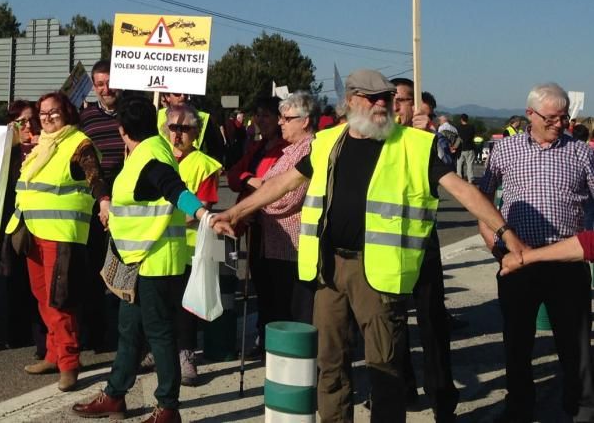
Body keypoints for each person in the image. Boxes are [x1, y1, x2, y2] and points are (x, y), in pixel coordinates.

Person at [213, 69, 525, 423]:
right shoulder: (327, 141)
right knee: (329, 364)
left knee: (385, 368)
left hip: (377, 271)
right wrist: (236, 212)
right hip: (327, 269)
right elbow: (283, 183)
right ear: (350, 101)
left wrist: (506, 235)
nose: (382, 104)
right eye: (372, 97)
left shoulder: (414, 145)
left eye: (386, 98)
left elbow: (465, 191)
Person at [73, 94, 210, 423]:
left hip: (157, 262)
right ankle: (116, 394)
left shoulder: (150, 158)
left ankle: (167, 408)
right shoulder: (143, 153)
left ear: (121, 129)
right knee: (129, 330)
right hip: (138, 258)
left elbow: (175, 189)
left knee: (160, 334)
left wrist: (203, 213)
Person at [479, 83, 594, 423]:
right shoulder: (505, 151)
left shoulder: (581, 153)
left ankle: (581, 408)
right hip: (516, 263)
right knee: (517, 341)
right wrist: (496, 249)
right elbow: (483, 202)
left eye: (564, 118)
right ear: (530, 114)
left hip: (566, 260)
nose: (560, 124)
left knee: (575, 343)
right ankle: (519, 407)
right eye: (552, 118)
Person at [4, 91, 105, 391]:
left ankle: (69, 363)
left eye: (54, 113)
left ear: (68, 114)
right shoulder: (41, 144)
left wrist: (105, 201)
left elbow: (95, 177)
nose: (47, 118)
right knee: (41, 296)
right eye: (43, 113)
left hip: (61, 233)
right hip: (32, 229)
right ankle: (53, 354)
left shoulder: (79, 143)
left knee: (60, 300)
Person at [392, 78, 460, 421]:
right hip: (387, 246)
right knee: (392, 323)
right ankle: (402, 388)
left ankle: (441, 398)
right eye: (391, 100)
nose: (395, 107)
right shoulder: (377, 139)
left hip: (424, 242)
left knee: (432, 322)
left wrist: (429, 135)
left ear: (417, 106)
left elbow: (447, 165)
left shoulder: (429, 138)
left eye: (403, 101)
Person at [224, 96, 286, 353]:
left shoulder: (286, 148)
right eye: (258, 115)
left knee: (278, 288)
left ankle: (278, 341)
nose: (260, 120)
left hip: (279, 229)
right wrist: (250, 179)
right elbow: (233, 175)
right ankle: (263, 336)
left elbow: (277, 184)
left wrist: (254, 184)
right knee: (260, 283)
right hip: (255, 224)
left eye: (266, 115)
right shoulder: (257, 148)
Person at [166, 102, 222, 385]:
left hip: (188, 248)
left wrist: (162, 220)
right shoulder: (156, 157)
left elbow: (204, 206)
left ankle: (186, 354)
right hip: (157, 248)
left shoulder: (204, 164)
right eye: (173, 127)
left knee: (185, 307)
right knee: (160, 305)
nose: (178, 134)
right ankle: (161, 350)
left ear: (196, 132)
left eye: (185, 128)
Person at [253, 92, 317, 326]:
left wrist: (258, 196)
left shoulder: (309, 150)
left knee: (294, 314)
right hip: (277, 246)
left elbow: (285, 199)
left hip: (294, 248)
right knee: (278, 309)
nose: (280, 122)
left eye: (286, 118)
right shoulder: (290, 151)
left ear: (305, 120)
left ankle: (297, 361)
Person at [78, 60, 124, 353]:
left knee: (122, 270)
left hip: (127, 201)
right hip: (95, 201)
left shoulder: (135, 113)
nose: (106, 89)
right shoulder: (86, 118)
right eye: (100, 84)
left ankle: (122, 334)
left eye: (110, 82)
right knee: (94, 270)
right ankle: (95, 334)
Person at [0, 100, 46, 355]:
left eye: (31, 120)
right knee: (14, 278)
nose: (27, 126)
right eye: (20, 122)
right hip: (12, 222)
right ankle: (16, 331)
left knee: (37, 280)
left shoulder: (45, 146)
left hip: (40, 221)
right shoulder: (4, 151)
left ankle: (42, 337)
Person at [156, 91, 224, 164]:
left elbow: (215, 152)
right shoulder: (156, 116)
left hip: (194, 168)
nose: (183, 96)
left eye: (186, 93)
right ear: (167, 97)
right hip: (164, 170)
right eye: (177, 93)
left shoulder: (204, 118)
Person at [456, 113, 477, 183]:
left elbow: (456, 137)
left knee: (459, 164)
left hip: (460, 149)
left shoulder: (457, 128)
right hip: (469, 148)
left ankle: (459, 178)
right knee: (469, 164)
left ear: (461, 119)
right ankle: (470, 179)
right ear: (467, 119)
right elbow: (473, 136)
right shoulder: (471, 127)